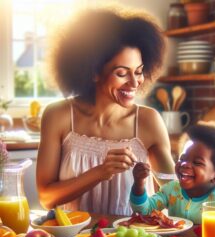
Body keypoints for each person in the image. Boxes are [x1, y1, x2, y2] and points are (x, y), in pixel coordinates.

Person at [36, 5, 175, 215]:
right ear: (94, 72)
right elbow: (46, 198)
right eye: (121, 73)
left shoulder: (149, 121)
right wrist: (100, 172)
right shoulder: (59, 116)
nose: (134, 83)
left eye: (138, 72)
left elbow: (174, 196)